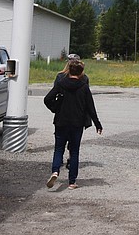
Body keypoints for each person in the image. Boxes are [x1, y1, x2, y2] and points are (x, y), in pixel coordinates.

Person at [46, 59, 103, 190]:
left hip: (61, 121)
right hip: (77, 123)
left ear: (69, 70)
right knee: (75, 151)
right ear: (81, 72)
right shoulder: (84, 86)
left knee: (59, 149)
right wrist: (97, 124)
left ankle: (55, 171)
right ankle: (72, 182)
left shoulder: (61, 83)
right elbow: (90, 107)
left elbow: (47, 99)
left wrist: (55, 107)